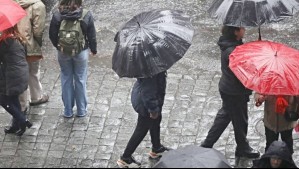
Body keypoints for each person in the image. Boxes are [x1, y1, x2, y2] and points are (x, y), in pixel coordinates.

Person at [201, 26, 260, 158]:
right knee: (239, 120)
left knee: (227, 116)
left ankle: (208, 144)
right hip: (235, 92)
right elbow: (242, 73)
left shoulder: (231, 45)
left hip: (229, 88)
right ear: (235, 32)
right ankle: (241, 148)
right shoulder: (233, 51)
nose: (244, 30)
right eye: (242, 29)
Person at [49, 0, 97, 118]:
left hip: (63, 52)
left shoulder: (57, 15)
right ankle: (81, 110)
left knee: (66, 78)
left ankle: (68, 111)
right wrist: (93, 49)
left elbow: (52, 35)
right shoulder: (86, 14)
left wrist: (60, 46)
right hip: (81, 51)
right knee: (80, 79)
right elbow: (92, 35)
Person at [117, 71, 170, 168]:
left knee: (156, 121)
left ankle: (156, 148)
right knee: (142, 129)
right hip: (146, 104)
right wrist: (153, 110)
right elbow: (148, 92)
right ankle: (125, 158)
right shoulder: (151, 69)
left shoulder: (152, 63)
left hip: (150, 99)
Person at [16, 0, 49, 113]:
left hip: (14, 44)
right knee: (33, 72)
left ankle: (23, 103)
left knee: (20, 74)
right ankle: (36, 97)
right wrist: (37, 44)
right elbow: (38, 31)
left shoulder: (11, 3)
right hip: (30, 45)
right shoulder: (38, 6)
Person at [0, 26, 32, 136]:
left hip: (13, 76)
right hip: (22, 72)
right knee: (14, 100)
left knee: (3, 100)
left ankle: (23, 120)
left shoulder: (5, 42)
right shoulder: (19, 38)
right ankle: (16, 125)